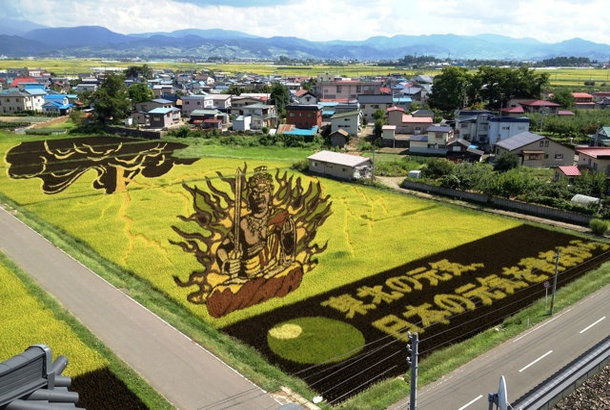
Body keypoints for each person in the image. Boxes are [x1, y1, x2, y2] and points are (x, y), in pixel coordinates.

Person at [217, 166, 296, 279]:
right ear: (250, 196)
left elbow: (288, 258)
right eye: (255, 192)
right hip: (246, 278)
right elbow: (222, 249)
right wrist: (226, 264)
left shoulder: (280, 218)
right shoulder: (243, 223)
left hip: (273, 275)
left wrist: (269, 275)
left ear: (270, 193)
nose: (259, 196)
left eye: (264, 191)